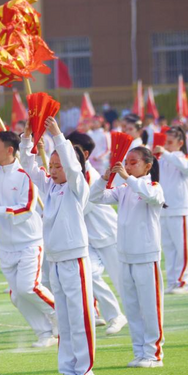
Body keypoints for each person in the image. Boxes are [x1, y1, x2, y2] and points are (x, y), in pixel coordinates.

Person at [0, 128, 58, 349]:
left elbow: (26, 208)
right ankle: (44, 333)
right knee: (17, 296)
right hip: (6, 246)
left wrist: (0, 211)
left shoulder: (25, 174)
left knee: (28, 288)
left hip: (30, 242)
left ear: (10, 150)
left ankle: (60, 316)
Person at [20, 118, 96, 375]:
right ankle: (68, 374)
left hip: (74, 259)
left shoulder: (78, 187)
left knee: (80, 319)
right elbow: (29, 166)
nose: (51, 170)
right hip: (55, 261)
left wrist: (58, 136)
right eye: (50, 166)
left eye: (57, 166)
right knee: (64, 322)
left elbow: (74, 168)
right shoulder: (50, 186)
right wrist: (27, 139)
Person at [90, 147, 166, 369]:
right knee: (132, 307)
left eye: (133, 162)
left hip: (146, 256)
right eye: (126, 162)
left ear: (148, 166)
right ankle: (139, 351)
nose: (128, 166)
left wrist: (126, 176)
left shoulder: (153, 187)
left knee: (150, 307)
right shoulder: (123, 188)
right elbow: (95, 197)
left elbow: (150, 196)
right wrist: (104, 178)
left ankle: (153, 354)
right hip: (125, 256)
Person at [66, 131, 127, 336]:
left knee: (123, 283)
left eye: (70, 148)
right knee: (88, 275)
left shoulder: (90, 175)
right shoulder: (69, 174)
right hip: (88, 239)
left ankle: (144, 321)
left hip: (109, 235)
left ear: (83, 153)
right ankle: (114, 315)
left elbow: (83, 207)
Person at [153, 127, 188, 295]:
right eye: (165, 142)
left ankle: (184, 281)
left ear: (180, 143)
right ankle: (172, 280)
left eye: (170, 142)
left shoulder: (184, 158)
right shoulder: (162, 159)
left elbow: (186, 168)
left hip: (179, 209)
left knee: (182, 247)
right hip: (164, 208)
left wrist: (166, 153)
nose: (166, 145)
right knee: (168, 247)